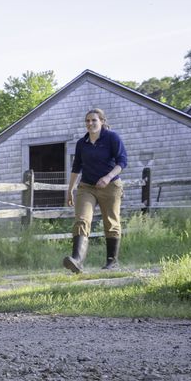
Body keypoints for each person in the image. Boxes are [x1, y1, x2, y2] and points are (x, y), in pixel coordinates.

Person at [63, 107, 128, 273]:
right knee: (82, 220)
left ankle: (112, 261)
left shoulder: (112, 138)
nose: (90, 123)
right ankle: (77, 260)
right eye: (87, 121)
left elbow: (122, 162)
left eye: (94, 120)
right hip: (87, 187)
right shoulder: (81, 143)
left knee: (111, 222)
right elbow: (76, 167)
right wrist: (70, 190)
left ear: (102, 122)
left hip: (110, 185)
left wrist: (107, 177)